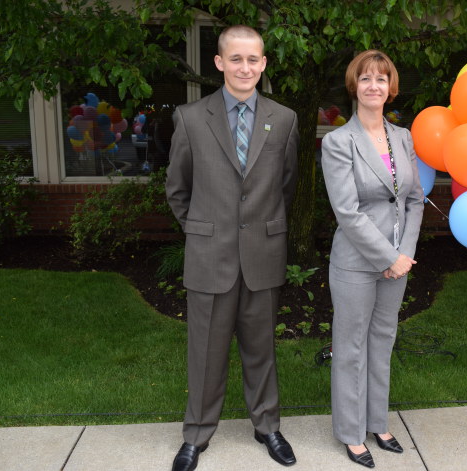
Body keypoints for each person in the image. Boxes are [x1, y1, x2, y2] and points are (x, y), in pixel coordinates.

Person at [165, 25, 299, 471]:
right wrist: (202, 230)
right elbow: (177, 189)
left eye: (253, 59)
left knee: (262, 349)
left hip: (263, 254)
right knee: (205, 352)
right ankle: (196, 434)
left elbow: (285, 185)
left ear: (263, 63)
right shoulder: (190, 118)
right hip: (210, 256)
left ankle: (267, 426)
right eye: (236, 59)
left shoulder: (284, 119)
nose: (245, 67)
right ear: (219, 62)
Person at [321, 50, 424, 468]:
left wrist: (405, 254)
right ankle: (351, 433)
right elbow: (347, 211)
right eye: (365, 78)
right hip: (356, 263)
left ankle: (378, 422)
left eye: (381, 79)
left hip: (398, 262)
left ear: (390, 87)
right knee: (350, 348)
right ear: (354, 86)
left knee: (383, 341)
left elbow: (415, 199)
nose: (373, 85)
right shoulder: (338, 142)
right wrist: (388, 256)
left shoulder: (403, 137)